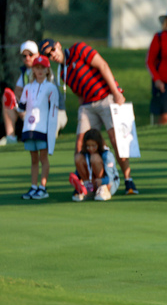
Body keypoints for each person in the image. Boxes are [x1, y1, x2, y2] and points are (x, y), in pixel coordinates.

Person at [39, 38, 139, 194]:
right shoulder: (62, 73)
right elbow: (78, 92)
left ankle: (128, 179)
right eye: (48, 55)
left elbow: (103, 66)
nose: (53, 55)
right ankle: (84, 183)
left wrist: (116, 93)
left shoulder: (78, 49)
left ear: (58, 45)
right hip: (87, 105)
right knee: (80, 144)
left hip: (106, 97)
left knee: (116, 139)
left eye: (53, 50)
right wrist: (82, 111)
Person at [1, 41, 66, 145]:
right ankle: (11, 138)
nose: (27, 58)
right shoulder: (25, 73)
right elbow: (17, 92)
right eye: (24, 56)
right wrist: (20, 105)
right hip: (34, 112)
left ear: (37, 55)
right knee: (7, 99)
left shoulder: (46, 70)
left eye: (31, 55)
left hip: (54, 112)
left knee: (47, 138)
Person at [18, 56, 59, 200]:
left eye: (43, 68)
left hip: (44, 128)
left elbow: (53, 110)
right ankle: (34, 187)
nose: (40, 71)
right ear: (33, 70)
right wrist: (14, 104)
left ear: (48, 70)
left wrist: (52, 130)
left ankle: (43, 187)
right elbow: (22, 106)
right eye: (37, 68)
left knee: (43, 158)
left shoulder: (51, 87)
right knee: (33, 159)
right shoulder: (28, 87)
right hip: (29, 128)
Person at [70, 129, 120, 202]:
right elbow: (78, 173)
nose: (90, 149)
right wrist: (76, 180)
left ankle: (103, 190)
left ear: (99, 144)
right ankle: (88, 189)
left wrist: (102, 181)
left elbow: (110, 178)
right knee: (78, 157)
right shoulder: (84, 153)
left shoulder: (107, 155)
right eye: (88, 146)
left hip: (108, 183)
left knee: (94, 157)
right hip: (93, 181)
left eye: (93, 146)